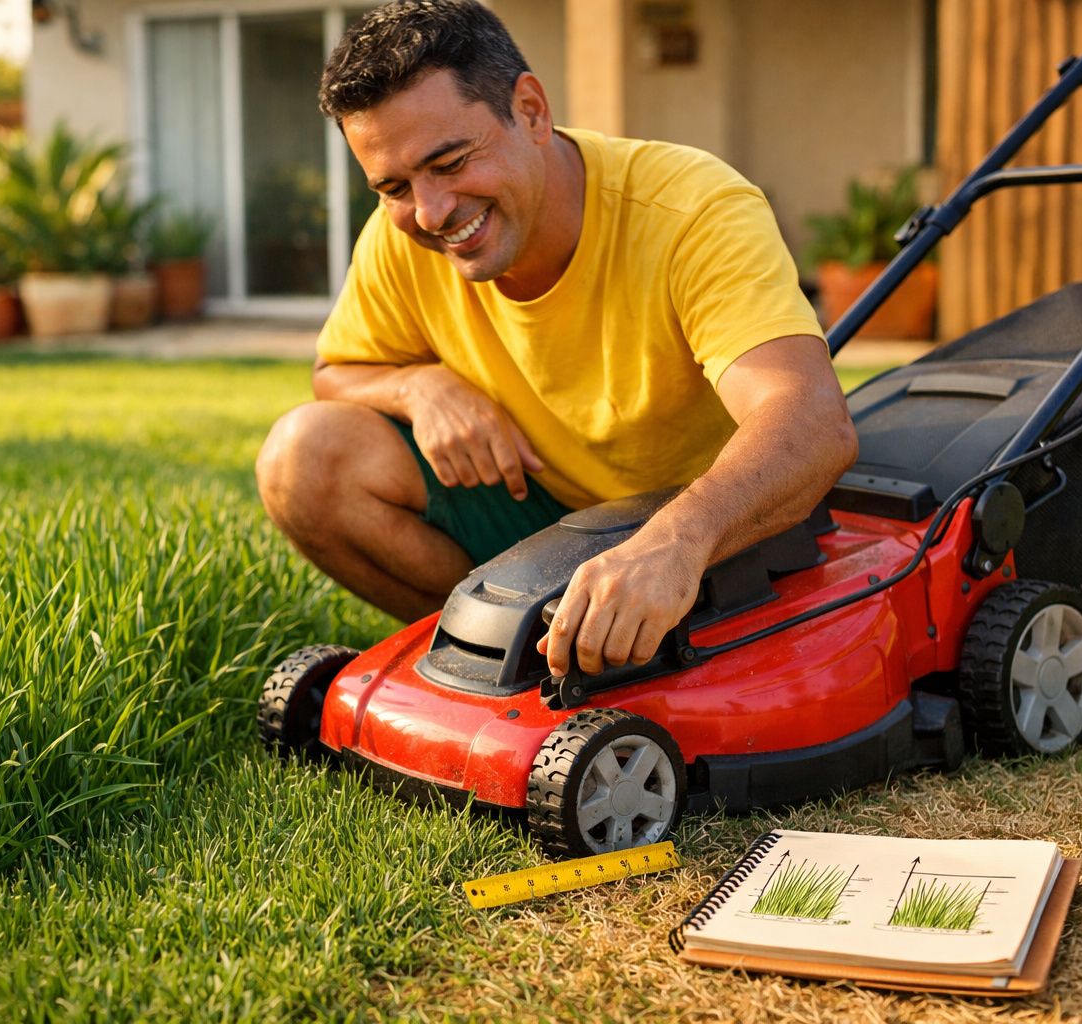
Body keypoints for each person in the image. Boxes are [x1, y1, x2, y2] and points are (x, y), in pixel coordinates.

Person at [257, 0, 857, 682]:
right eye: (393, 186)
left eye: (450, 162)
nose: (429, 212)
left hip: (710, 530)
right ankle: (504, 659)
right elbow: (336, 369)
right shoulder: (403, 238)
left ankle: (627, 644)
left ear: (533, 111)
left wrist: (674, 543)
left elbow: (812, 422)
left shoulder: (692, 210)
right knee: (302, 459)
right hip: (542, 515)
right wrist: (419, 385)